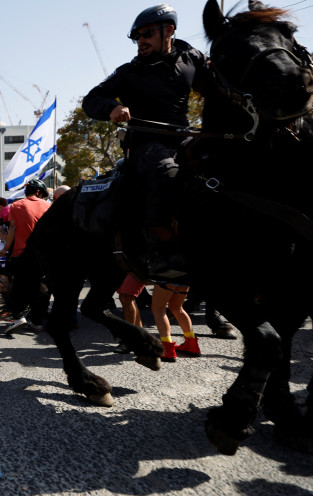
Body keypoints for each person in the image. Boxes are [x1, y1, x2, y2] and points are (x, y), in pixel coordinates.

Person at [82, 4, 211, 278]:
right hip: (146, 144)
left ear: (169, 31)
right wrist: (111, 109)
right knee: (167, 171)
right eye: (137, 36)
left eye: (147, 34)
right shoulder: (129, 72)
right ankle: (161, 250)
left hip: (185, 138)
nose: (141, 40)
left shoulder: (192, 57)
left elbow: (219, 83)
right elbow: (91, 100)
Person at [151, 284, 200, 361]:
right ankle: (192, 344)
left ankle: (167, 348)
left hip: (167, 275)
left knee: (159, 309)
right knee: (177, 308)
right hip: (184, 276)